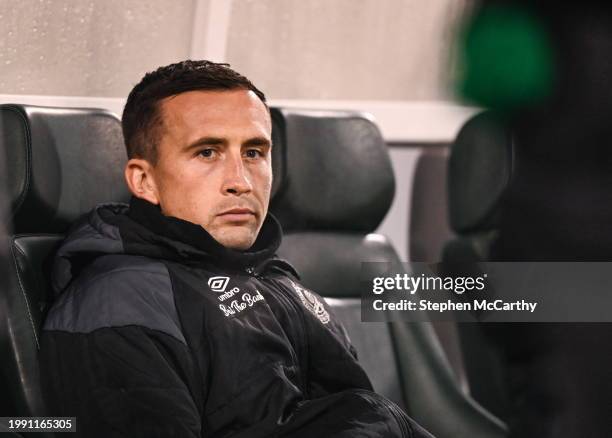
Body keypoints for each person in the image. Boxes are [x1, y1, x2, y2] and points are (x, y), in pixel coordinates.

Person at [39, 60, 433, 438]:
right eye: (207, 152)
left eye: (254, 152)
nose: (240, 181)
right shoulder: (122, 305)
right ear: (145, 181)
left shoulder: (276, 278)